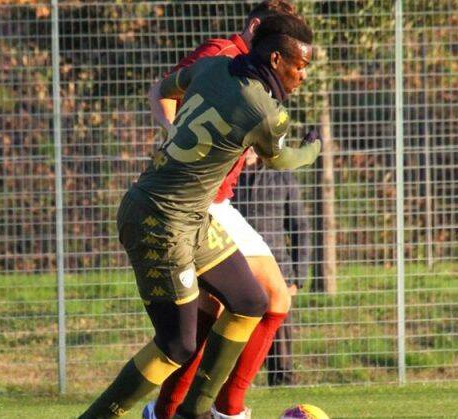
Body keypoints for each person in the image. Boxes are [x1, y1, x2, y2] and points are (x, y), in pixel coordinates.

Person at [80, 12, 320, 419]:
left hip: (189, 216)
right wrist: (314, 146)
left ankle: (196, 412)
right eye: (301, 65)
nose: (302, 76)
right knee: (177, 345)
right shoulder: (266, 112)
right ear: (277, 60)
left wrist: (174, 133)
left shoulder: (211, 67)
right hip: (161, 222)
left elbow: (166, 87)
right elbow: (282, 159)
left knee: (250, 300)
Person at [232, 149, 312, 387]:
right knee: (234, 330)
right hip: (236, 268)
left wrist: (298, 277)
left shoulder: (282, 177)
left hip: (278, 269)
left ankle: (283, 382)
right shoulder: (227, 177)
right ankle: (232, 386)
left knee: (280, 332)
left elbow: (301, 229)